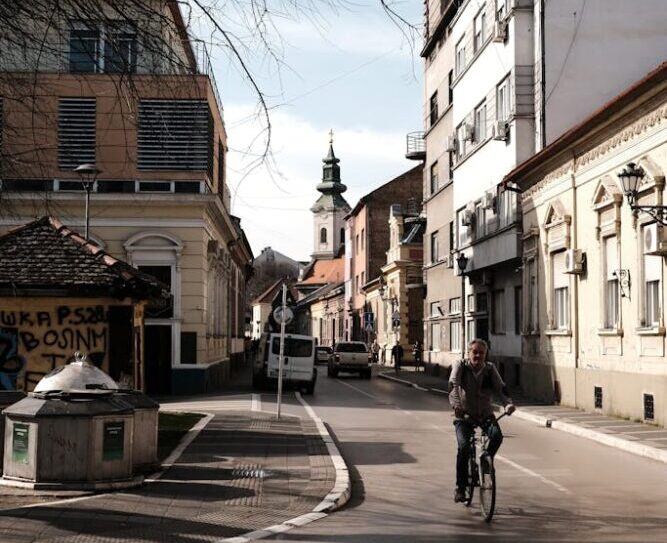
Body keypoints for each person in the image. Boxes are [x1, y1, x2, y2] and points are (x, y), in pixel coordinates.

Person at [448, 338, 515, 503]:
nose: (478, 356)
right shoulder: (461, 366)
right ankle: (461, 488)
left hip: (484, 414)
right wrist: (456, 405)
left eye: (482, 353)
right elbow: (453, 384)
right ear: (469, 352)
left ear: (486, 354)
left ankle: (486, 460)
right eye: (475, 352)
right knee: (463, 447)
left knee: (497, 436)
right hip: (464, 415)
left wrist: (508, 404)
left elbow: (501, 388)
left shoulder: (490, 369)